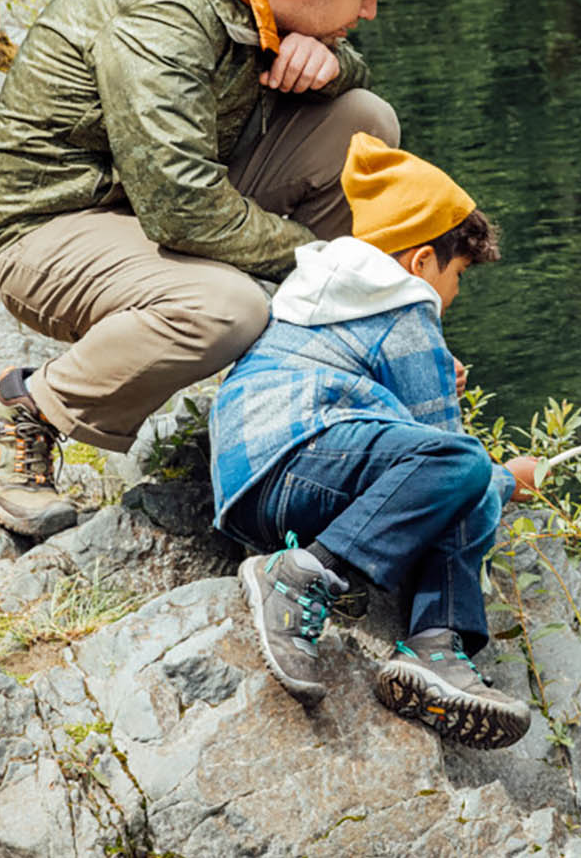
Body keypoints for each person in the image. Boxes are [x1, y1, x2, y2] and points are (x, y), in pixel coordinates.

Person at [0, 0, 407, 538]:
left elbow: (322, 78)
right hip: (48, 228)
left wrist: (329, 57)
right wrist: (332, 272)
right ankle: (22, 410)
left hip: (144, 201)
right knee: (224, 308)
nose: (373, 12)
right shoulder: (164, 13)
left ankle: (307, 383)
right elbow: (183, 209)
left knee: (364, 128)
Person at [209, 133, 540, 750]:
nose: (456, 293)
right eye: (458, 272)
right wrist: (510, 479)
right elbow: (445, 453)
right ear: (420, 262)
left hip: (248, 491)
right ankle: (313, 581)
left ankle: (431, 647)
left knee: (451, 478)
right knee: (466, 470)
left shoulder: (318, 291)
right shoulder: (406, 305)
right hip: (301, 461)